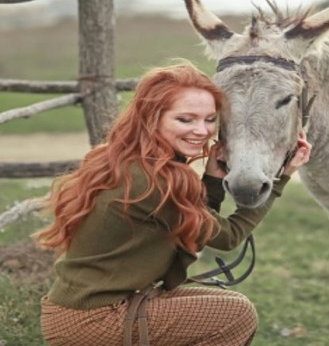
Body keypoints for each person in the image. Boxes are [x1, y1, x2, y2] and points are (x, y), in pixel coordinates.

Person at [34, 62, 311, 346]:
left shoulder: (124, 159)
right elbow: (228, 236)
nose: (202, 131)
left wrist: (213, 180)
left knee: (221, 300)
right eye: (186, 119)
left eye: (210, 119)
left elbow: (192, 227)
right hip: (94, 319)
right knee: (235, 314)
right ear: (152, 118)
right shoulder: (155, 181)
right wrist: (280, 179)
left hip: (73, 311)